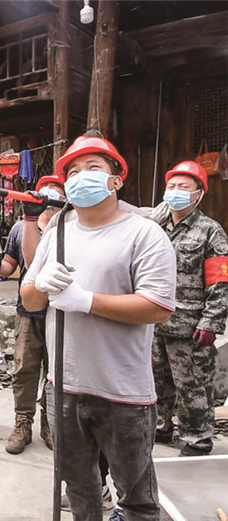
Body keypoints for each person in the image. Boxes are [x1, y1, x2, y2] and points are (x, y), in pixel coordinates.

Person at [21, 134, 176, 520]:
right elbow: (29, 299)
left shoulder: (144, 234)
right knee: (79, 488)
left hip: (123, 393)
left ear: (116, 179)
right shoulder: (57, 232)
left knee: (136, 499)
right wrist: (40, 286)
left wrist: (86, 301)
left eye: (93, 168)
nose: (80, 177)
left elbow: (159, 307)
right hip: (63, 387)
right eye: (72, 171)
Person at [151, 160, 228, 457]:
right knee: (156, 379)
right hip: (155, 319)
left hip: (190, 324)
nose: (175, 191)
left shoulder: (210, 232)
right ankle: (160, 426)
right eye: (171, 186)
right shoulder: (156, 227)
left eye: (184, 187)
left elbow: (221, 281)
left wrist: (211, 322)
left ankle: (197, 437)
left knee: (192, 383)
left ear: (198, 194)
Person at [0, 175, 65, 454]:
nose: (50, 194)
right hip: (28, 311)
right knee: (24, 369)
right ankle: (22, 423)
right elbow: (10, 264)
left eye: (56, 190)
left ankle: (50, 422)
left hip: (60, 310)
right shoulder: (20, 227)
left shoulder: (69, 227)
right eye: (45, 189)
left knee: (55, 371)